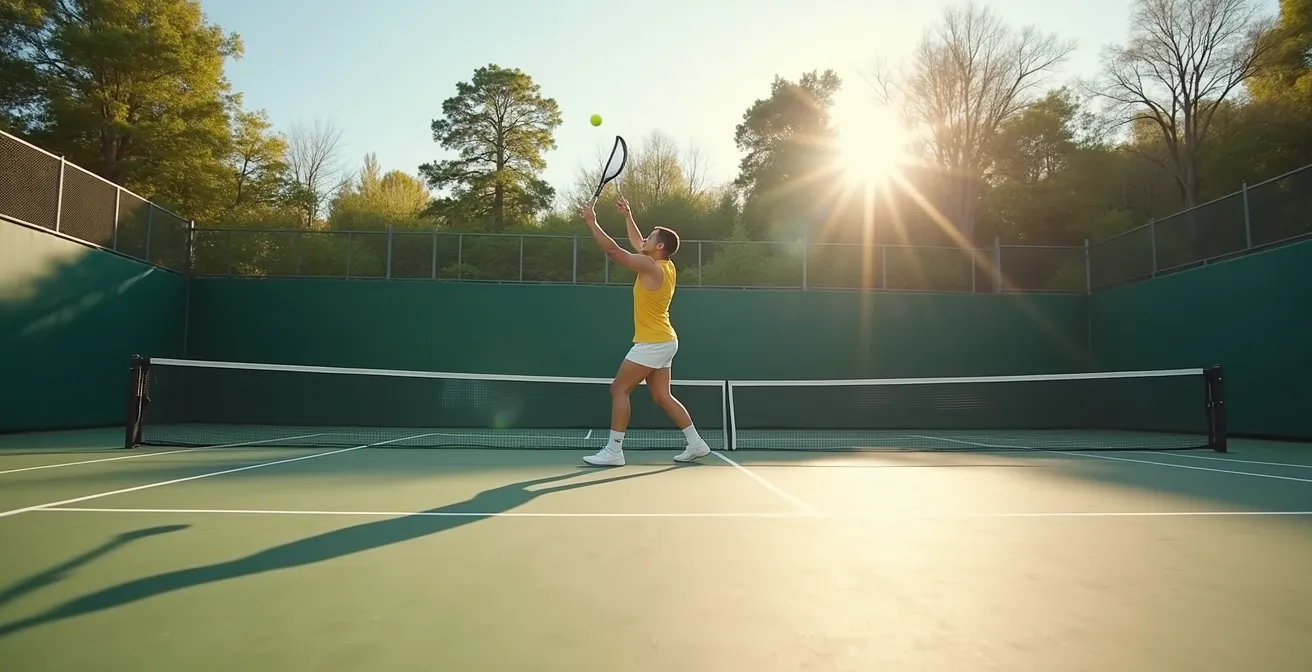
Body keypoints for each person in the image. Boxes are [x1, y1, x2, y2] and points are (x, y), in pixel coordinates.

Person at [577, 197, 711, 466]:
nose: (644, 241)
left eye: (650, 238)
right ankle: (696, 443)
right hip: (666, 340)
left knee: (619, 389)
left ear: (659, 246)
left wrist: (592, 222)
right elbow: (638, 244)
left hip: (653, 342)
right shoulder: (666, 265)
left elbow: (615, 252)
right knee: (662, 396)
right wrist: (628, 216)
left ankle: (614, 451)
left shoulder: (650, 266)